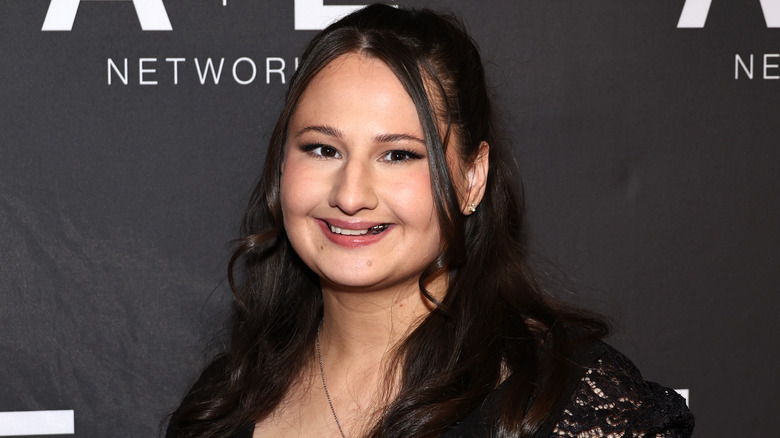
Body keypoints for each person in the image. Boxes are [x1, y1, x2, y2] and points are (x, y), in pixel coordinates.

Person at [166, 4, 694, 438]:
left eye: (398, 155)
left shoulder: (564, 402)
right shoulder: (222, 404)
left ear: (472, 178)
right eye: (322, 149)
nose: (350, 196)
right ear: (282, 166)